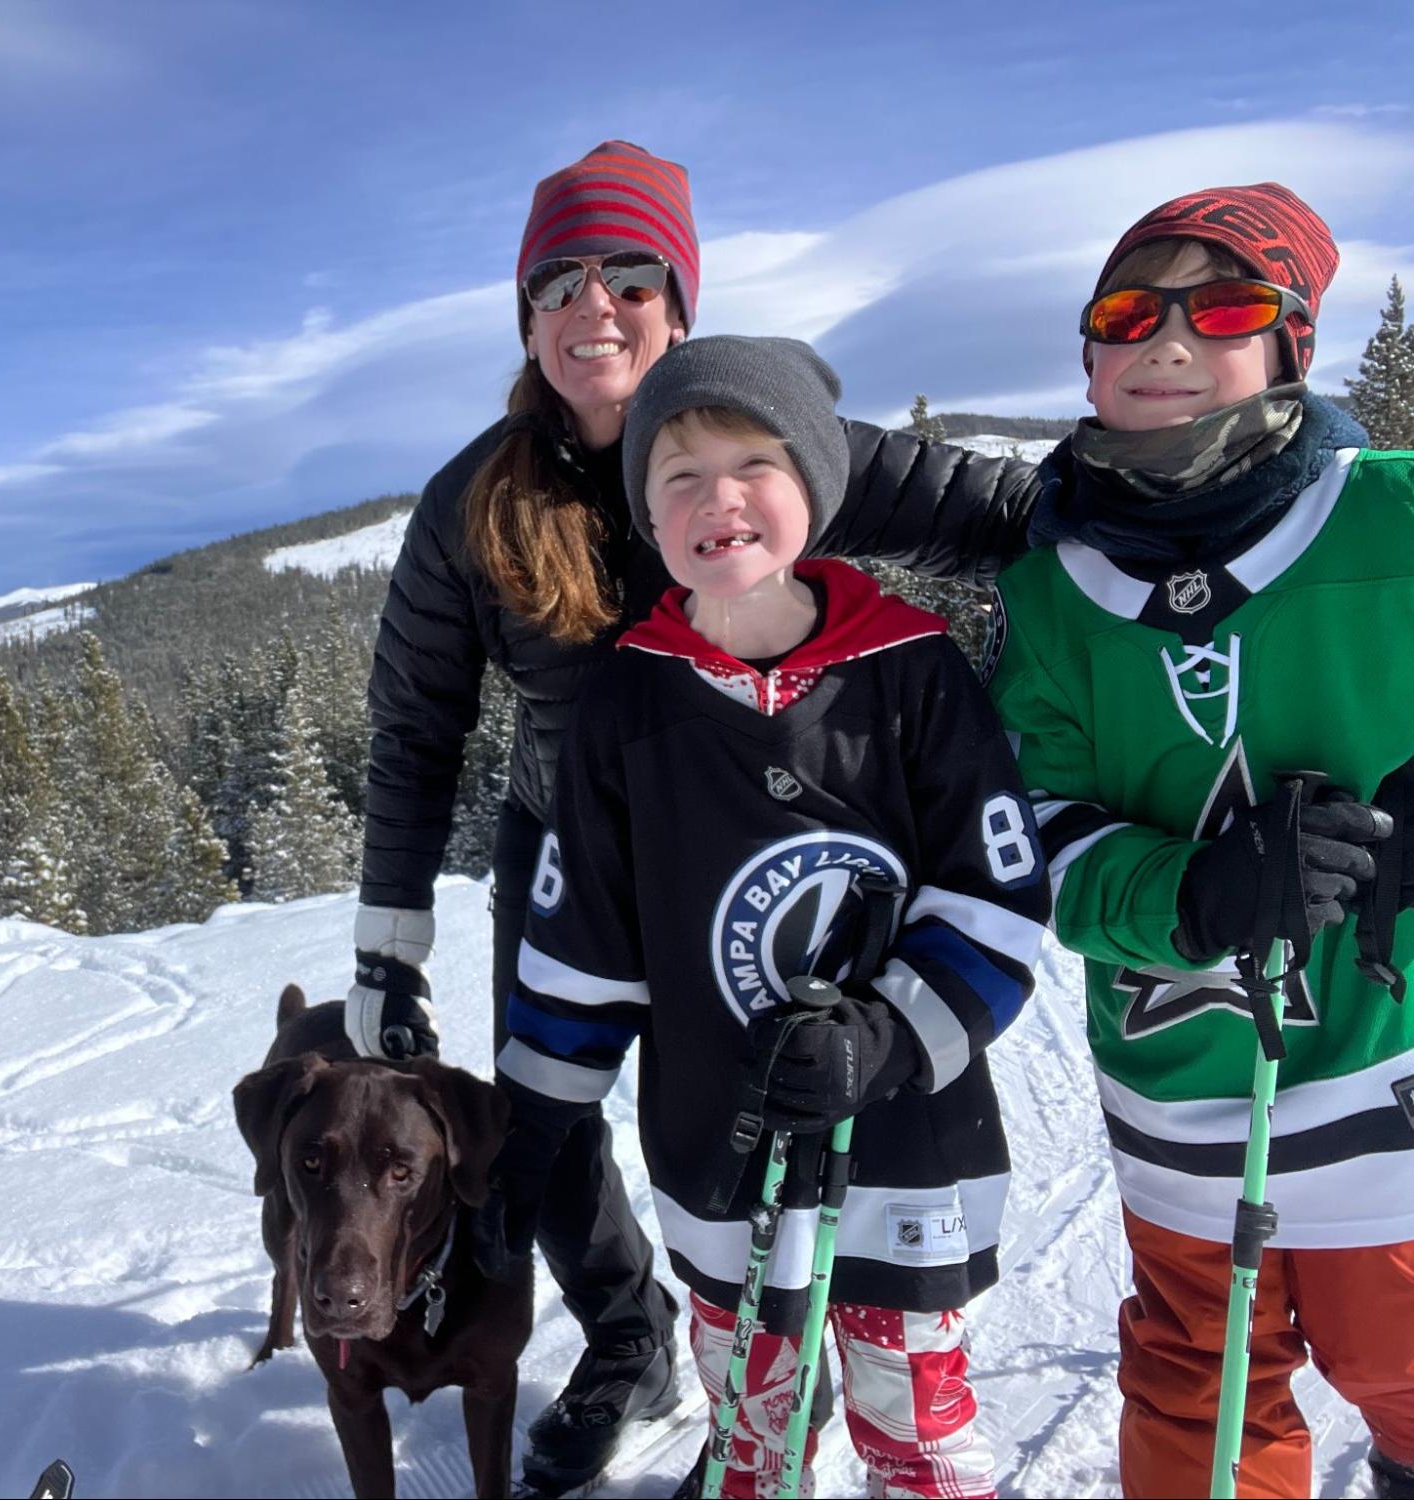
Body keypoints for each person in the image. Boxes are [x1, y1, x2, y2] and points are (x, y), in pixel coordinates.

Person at [348, 139, 1043, 1491]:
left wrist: (1189, 519)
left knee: (804, 1076)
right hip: (577, 840)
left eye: (625, 275)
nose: (589, 305)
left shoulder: (754, 427)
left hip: (791, 840)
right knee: (539, 1121)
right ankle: (638, 1343)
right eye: (554, 281)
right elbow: (414, 728)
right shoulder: (474, 503)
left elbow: (1004, 517)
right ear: (523, 314)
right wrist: (389, 941)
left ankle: (837, 1327)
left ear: (677, 299)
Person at [476, 335, 1051, 1499]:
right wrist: (525, 1139)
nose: (717, 498)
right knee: (754, 1435)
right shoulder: (625, 703)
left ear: (816, 487)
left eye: (753, 462)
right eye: (676, 476)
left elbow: (995, 900)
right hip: (720, 1151)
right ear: (645, 511)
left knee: (916, 1434)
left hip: (898, 1146)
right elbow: (584, 942)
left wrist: (886, 1037)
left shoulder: (912, 670)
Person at [985, 183, 1414, 1500]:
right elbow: (1032, 830)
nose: (1164, 342)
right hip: (1170, 1087)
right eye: (1125, 314)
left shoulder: (1387, 517)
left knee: (1398, 1363)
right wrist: (1182, 897)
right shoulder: (1050, 587)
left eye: (1219, 308)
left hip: (1375, 1071)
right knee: (1194, 1395)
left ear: (1287, 342)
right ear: (1088, 359)